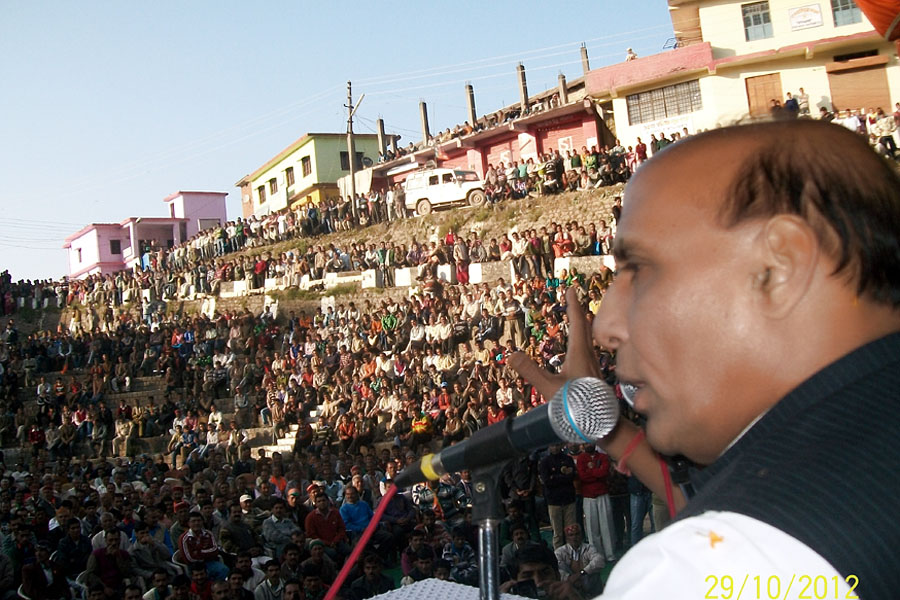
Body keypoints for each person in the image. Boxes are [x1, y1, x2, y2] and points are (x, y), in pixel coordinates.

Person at [510, 120, 900, 599]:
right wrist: (604, 426)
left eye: (640, 270)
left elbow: (729, 531)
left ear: (780, 268)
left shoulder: (702, 570)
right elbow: (702, 499)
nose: (607, 325)